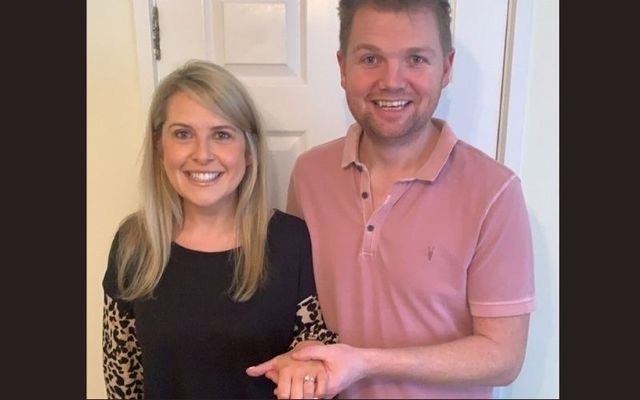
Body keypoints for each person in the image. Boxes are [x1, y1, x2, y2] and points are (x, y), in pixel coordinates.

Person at [247, 1, 535, 398]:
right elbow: (300, 309)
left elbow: (504, 356)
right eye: (370, 58)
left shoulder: (494, 192)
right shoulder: (309, 175)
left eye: (415, 58)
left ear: (446, 69)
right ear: (342, 67)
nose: (392, 81)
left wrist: (366, 362)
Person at [102, 60, 338, 399]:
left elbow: (315, 371)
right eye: (183, 134)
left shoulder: (292, 241)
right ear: (159, 146)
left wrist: (313, 367)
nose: (202, 154)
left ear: (250, 149)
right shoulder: (133, 245)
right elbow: (122, 380)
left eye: (222, 134)